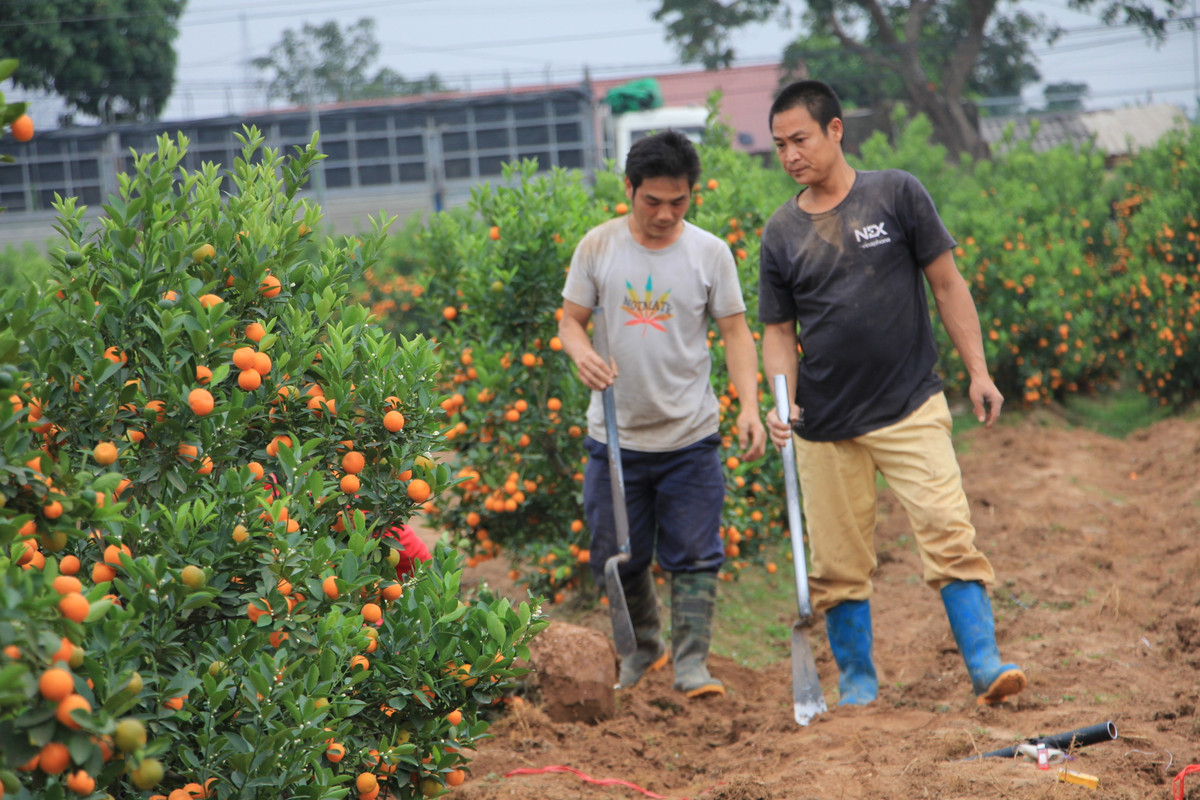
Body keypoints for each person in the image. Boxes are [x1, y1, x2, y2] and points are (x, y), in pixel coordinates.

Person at [758, 80, 1026, 707]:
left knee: (947, 530)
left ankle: (985, 665)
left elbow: (947, 284)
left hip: (909, 404)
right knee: (837, 564)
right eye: (778, 145)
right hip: (824, 424)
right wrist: (781, 399)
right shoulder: (781, 233)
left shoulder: (896, 193)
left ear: (835, 130)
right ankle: (857, 681)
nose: (790, 154)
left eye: (800, 139)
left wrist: (978, 371)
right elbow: (777, 331)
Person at [558, 130, 766, 698]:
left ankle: (692, 662)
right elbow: (570, 319)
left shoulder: (709, 253)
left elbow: (734, 332)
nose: (665, 214)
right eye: (652, 201)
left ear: (691, 195)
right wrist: (580, 352)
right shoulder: (598, 248)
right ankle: (641, 650)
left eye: (678, 202)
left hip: (690, 436)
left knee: (697, 553)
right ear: (629, 189)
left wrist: (748, 405)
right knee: (615, 556)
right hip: (616, 438)